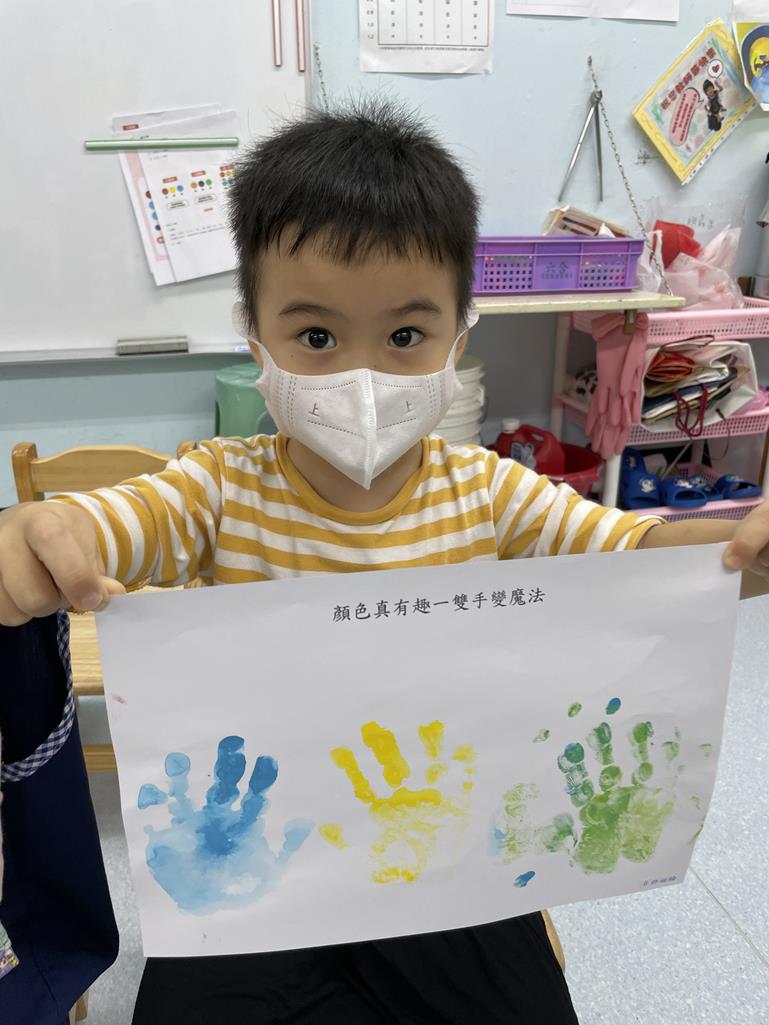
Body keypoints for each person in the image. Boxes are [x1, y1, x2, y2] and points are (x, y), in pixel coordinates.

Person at [0, 100, 767, 1025]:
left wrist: (740, 550)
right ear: (254, 336)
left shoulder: (490, 490)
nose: (359, 378)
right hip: (266, 862)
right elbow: (103, 525)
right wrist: (36, 533)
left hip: (449, 852)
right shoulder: (215, 486)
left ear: (456, 339)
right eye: (316, 337)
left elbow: (637, 553)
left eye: (405, 337)